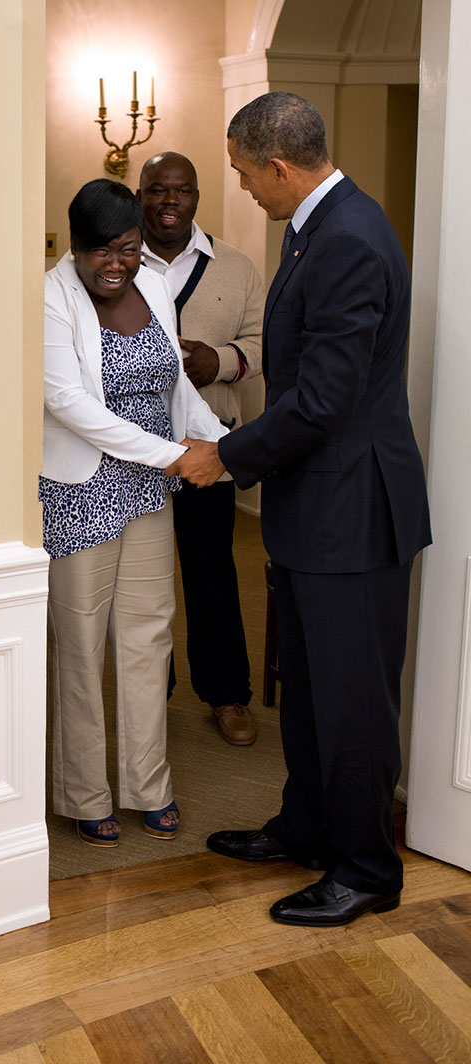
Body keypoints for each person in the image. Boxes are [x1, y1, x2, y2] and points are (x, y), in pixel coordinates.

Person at [177, 92, 431, 927]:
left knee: (354, 700)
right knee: (314, 690)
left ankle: (364, 870)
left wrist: (228, 452)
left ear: (280, 167)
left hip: (354, 513)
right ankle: (308, 826)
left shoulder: (351, 239)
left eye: (248, 176)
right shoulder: (314, 226)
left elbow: (322, 400)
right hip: (315, 506)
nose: (245, 190)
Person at [42, 179, 227, 846]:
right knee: (82, 645)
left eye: (126, 248)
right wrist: (173, 457)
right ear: (74, 247)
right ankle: (85, 792)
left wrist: (220, 444)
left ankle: (149, 784)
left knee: (149, 636)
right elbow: (71, 405)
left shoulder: (151, 284)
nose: (115, 264)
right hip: (82, 489)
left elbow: (173, 384)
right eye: (100, 252)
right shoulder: (50, 298)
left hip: (150, 488)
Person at [138, 151, 263, 746]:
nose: (169, 201)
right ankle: (148, 696)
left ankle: (228, 696)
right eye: (157, 190)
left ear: (196, 196)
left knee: (211, 573)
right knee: (143, 583)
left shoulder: (236, 268)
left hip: (208, 451)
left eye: (181, 190)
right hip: (133, 457)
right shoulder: (112, 262)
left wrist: (221, 361)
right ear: (140, 195)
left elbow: (264, 344)